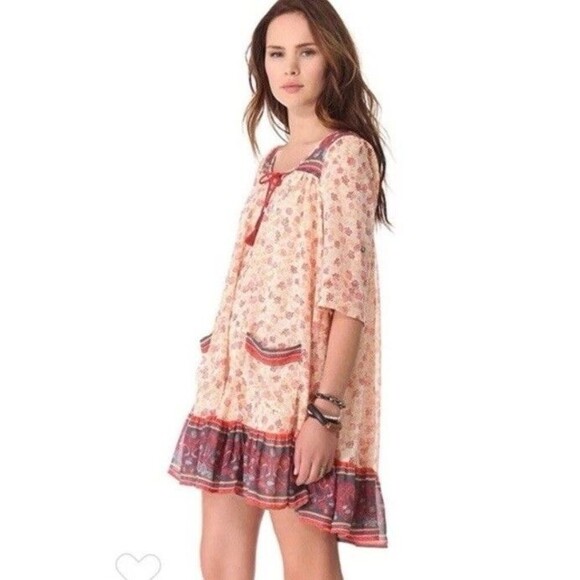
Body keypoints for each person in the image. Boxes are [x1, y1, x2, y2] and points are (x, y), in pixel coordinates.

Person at [168, 1, 393, 578]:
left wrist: (325, 413)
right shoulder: (272, 160)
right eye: (276, 53)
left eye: (306, 51)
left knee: (306, 556)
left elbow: (349, 298)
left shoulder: (346, 155)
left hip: (297, 394)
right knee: (218, 552)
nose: (289, 67)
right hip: (235, 383)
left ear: (332, 60)